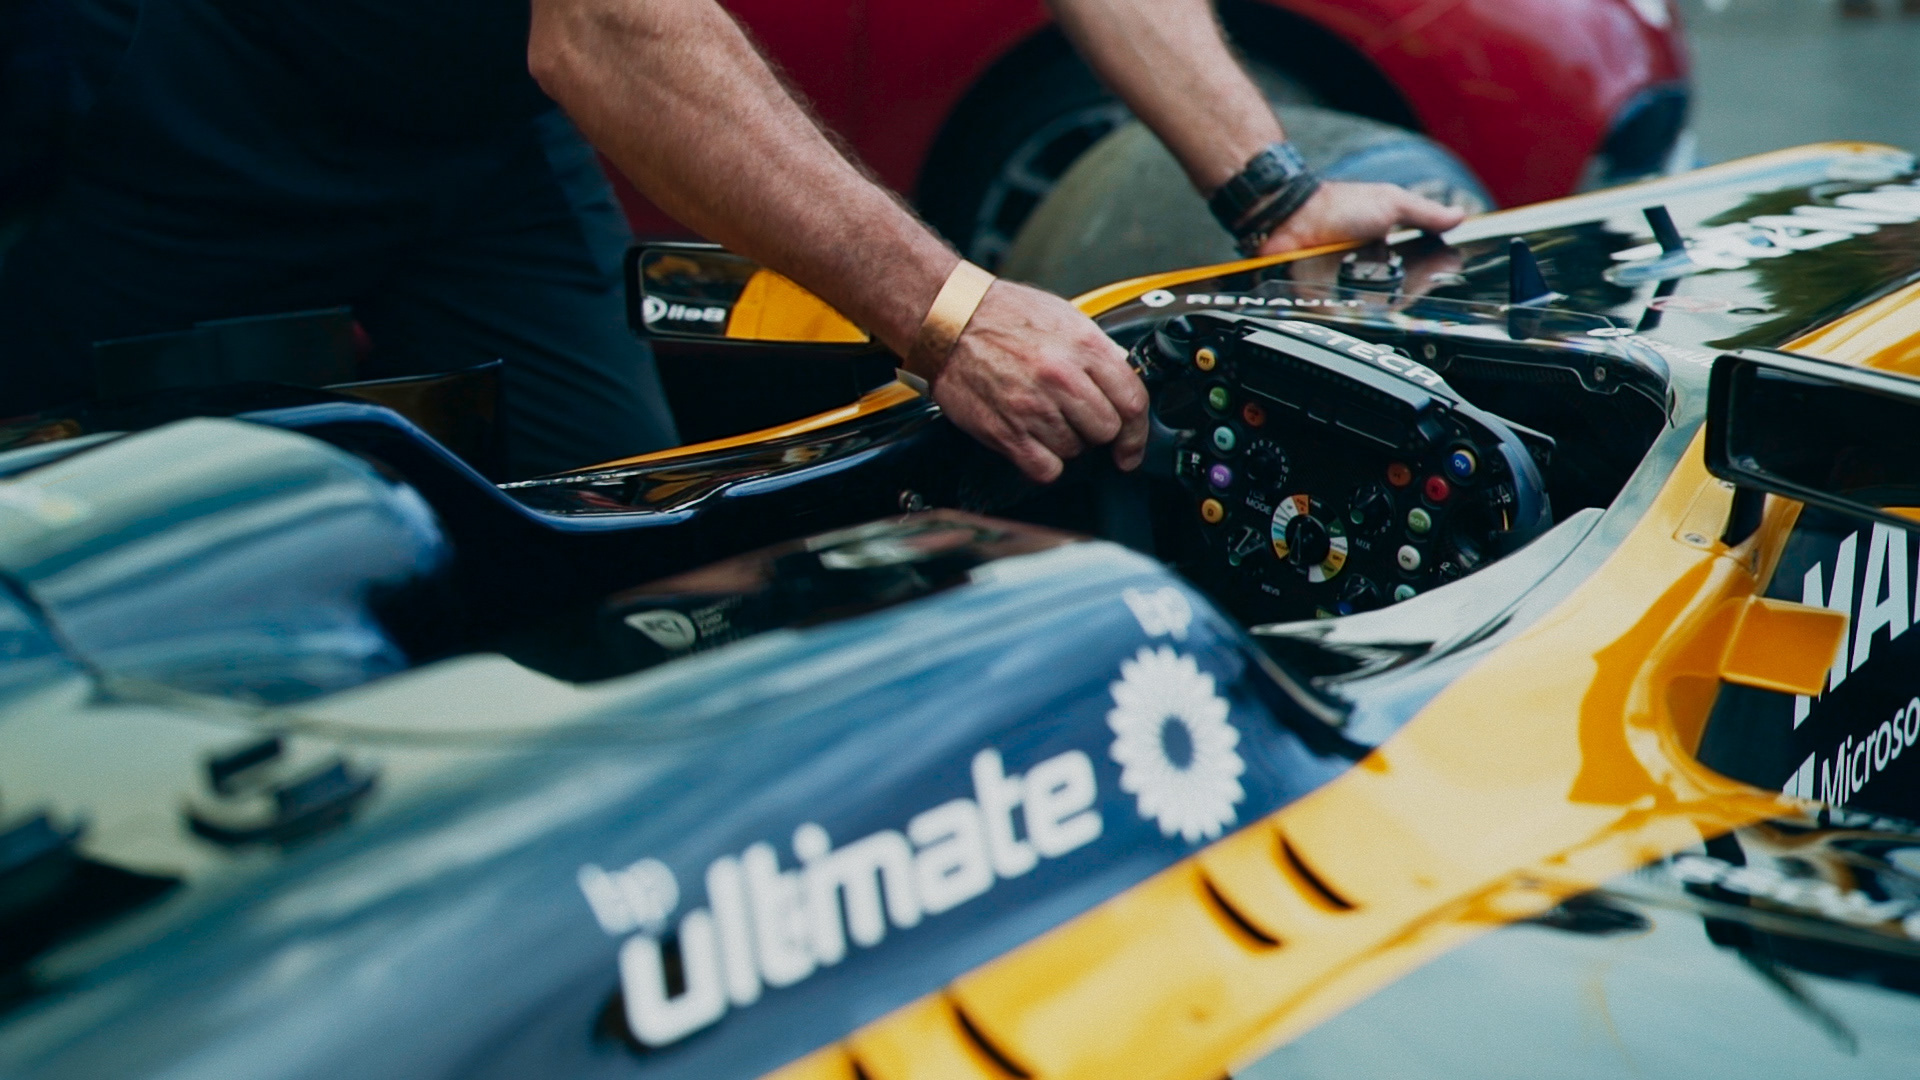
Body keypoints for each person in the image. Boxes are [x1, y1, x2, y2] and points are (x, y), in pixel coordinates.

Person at [0, 0, 1462, 480]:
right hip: (180, 91)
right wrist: (950, 313)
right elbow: (609, 27)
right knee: (124, 542)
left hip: (473, 122)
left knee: (612, 524)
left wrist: (1273, 195)